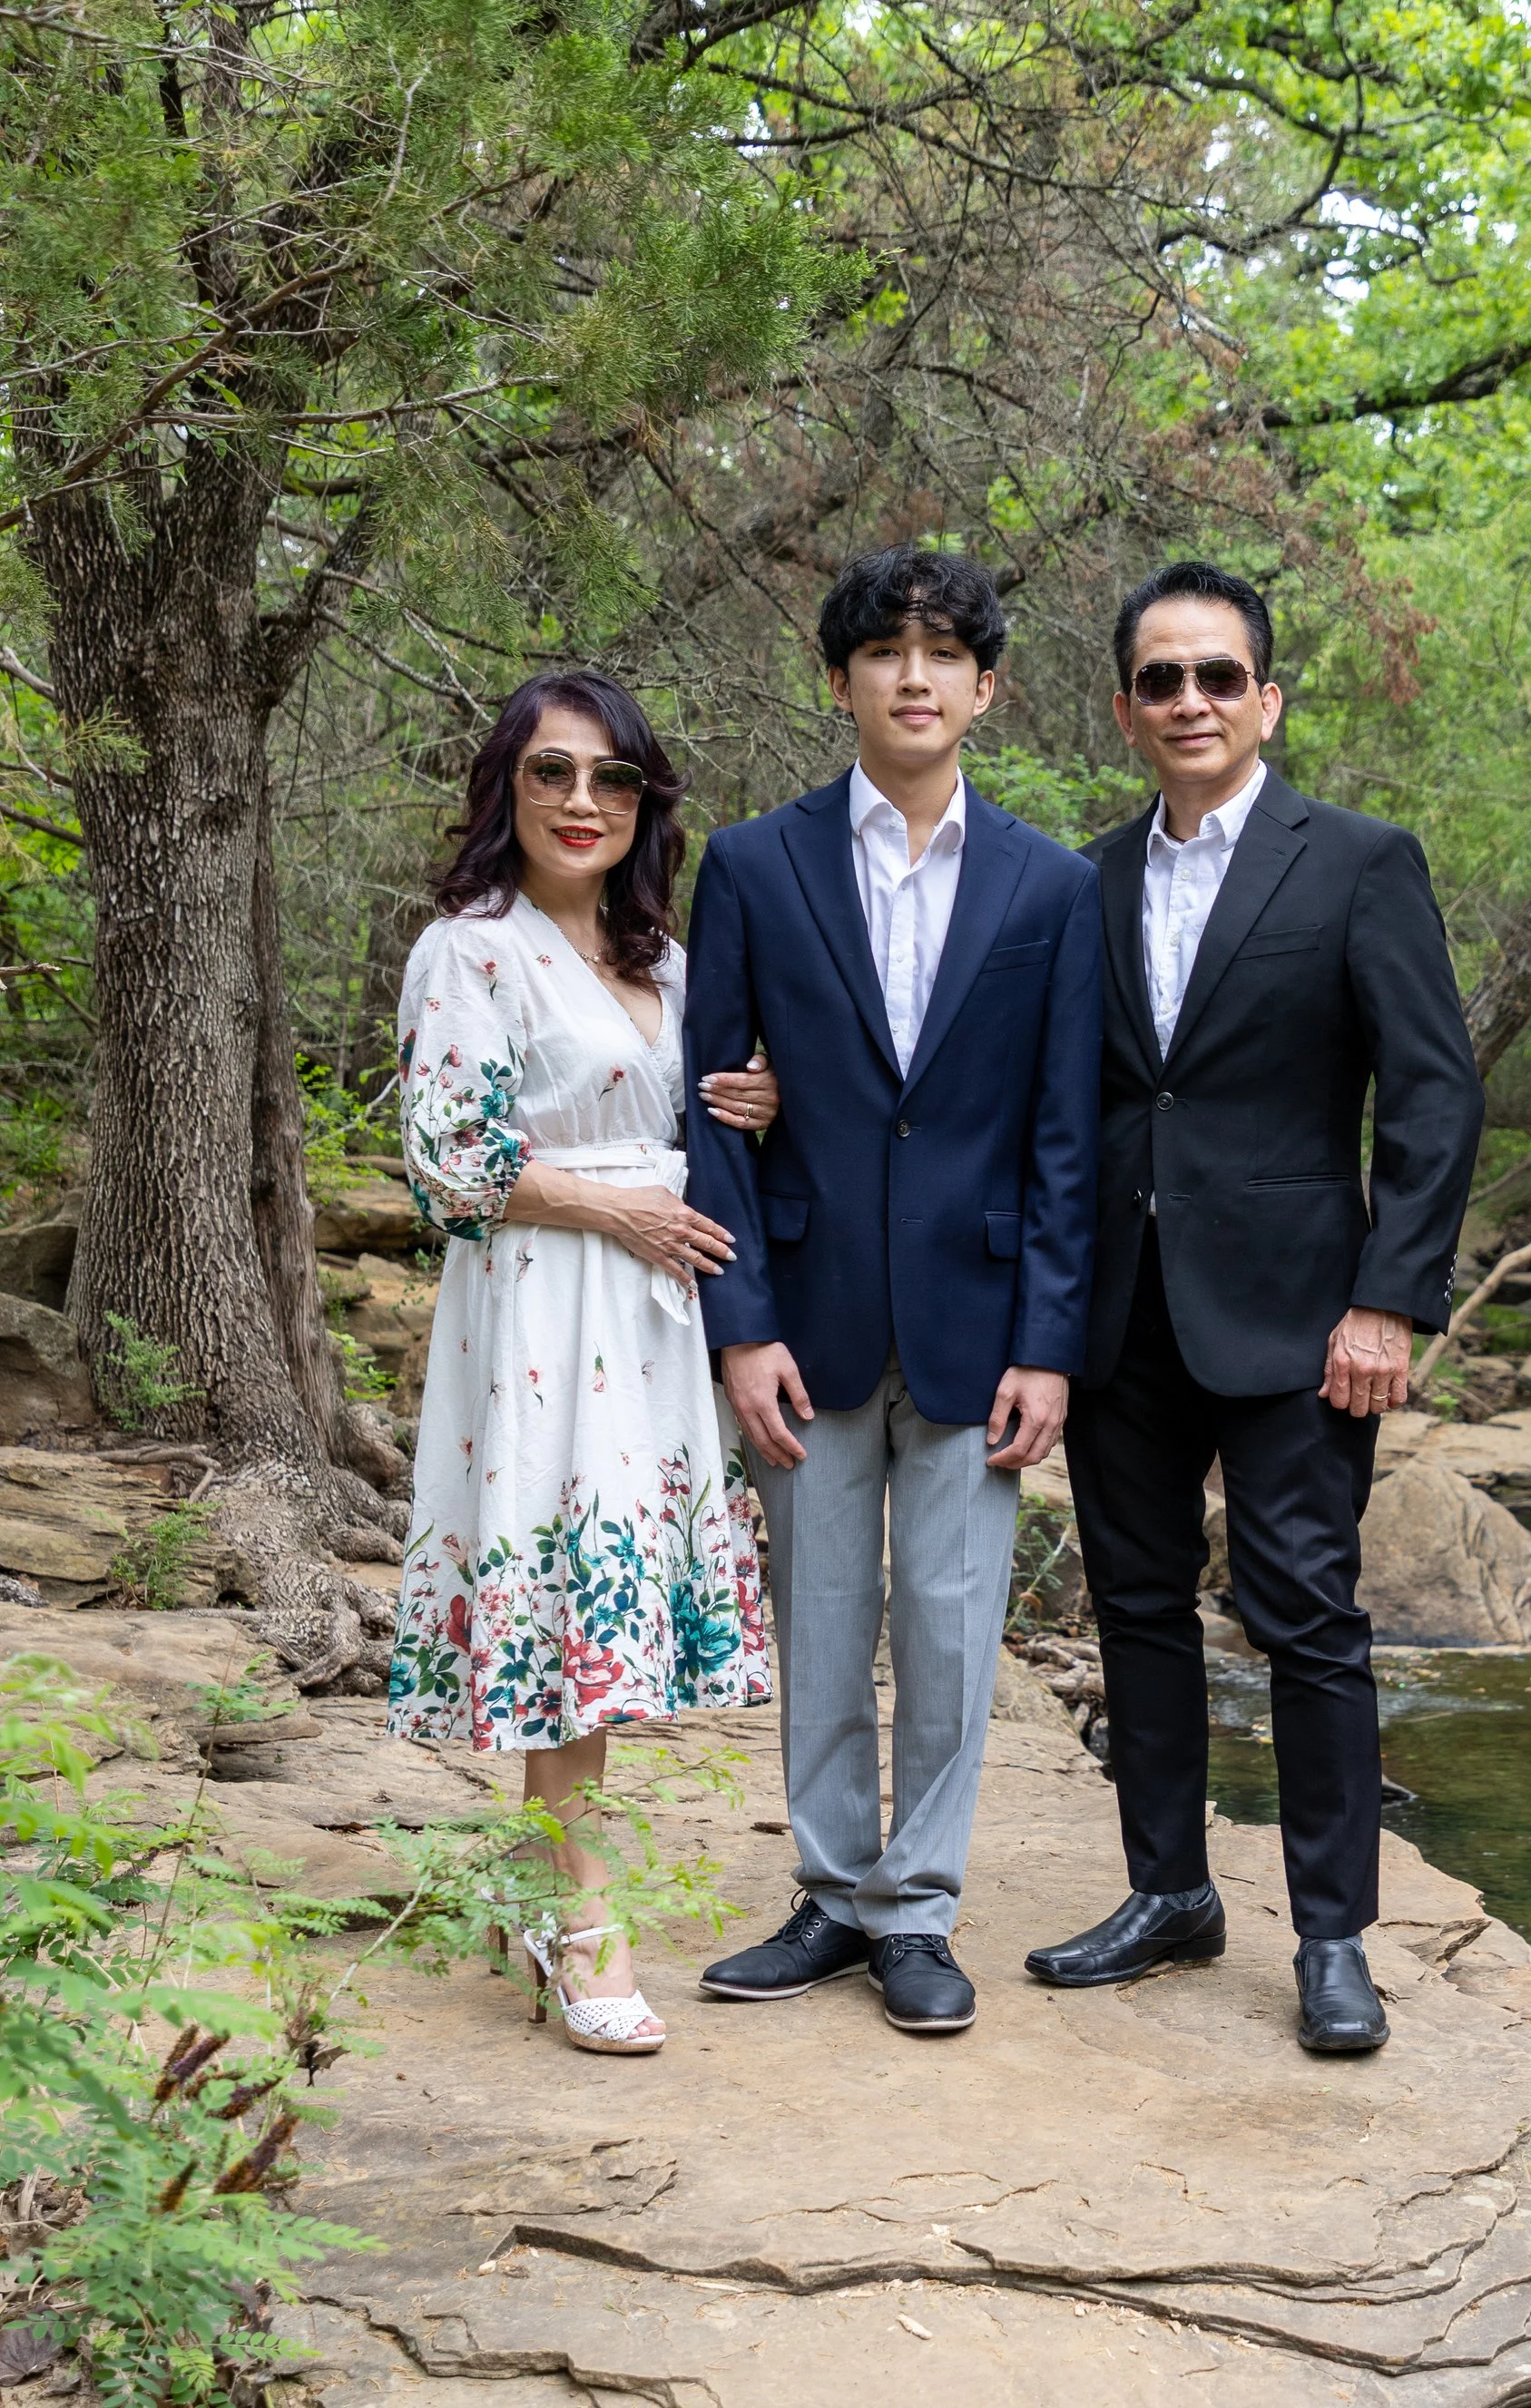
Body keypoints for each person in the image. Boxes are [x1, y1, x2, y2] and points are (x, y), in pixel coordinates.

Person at [1023, 562, 1485, 2053]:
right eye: (1162, 679)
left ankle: (1335, 1937)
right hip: (1119, 1313)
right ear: (1125, 708)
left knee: (1308, 1616)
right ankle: (1169, 1894)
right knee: (1141, 1609)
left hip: (1302, 1320)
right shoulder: (1077, 883)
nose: (1191, 702)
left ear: (1265, 698)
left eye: (1219, 676)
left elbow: (1433, 1093)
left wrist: (1390, 1303)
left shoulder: (1355, 861)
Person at [683, 544, 1102, 2036]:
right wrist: (741, 1327)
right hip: (801, 1311)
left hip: (980, 1326)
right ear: (842, 679)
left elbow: (1065, 1134)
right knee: (820, 1613)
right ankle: (828, 1894)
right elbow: (709, 1108)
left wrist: (1051, 1344)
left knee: (946, 1619)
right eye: (884, 653)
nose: (912, 677)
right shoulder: (751, 864)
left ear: (984, 689)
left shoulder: (1054, 884)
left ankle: (919, 1909)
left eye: (941, 655)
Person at [387, 671, 771, 2057]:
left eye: (610, 778)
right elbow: (451, 1159)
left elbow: (688, 1121)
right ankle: (580, 1913)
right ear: (508, 789)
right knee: (564, 1601)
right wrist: (616, 1208)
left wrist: (753, 1104)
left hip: (652, 1320)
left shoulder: (665, 959)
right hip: (545, 1306)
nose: (581, 801)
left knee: (595, 1607)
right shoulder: (468, 950)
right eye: (551, 773)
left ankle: (542, 1883)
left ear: (643, 802)